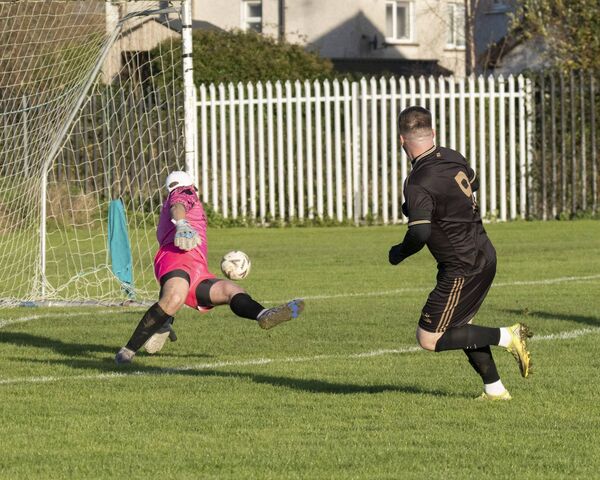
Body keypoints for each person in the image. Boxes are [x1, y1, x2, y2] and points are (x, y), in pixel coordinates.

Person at [389, 106, 532, 400]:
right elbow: (472, 183)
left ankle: (508, 335)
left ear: (402, 141)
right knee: (460, 325)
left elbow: (419, 233)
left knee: (429, 338)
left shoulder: (417, 182)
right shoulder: (452, 155)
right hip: (484, 253)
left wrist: (398, 253)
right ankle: (495, 390)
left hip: (462, 266)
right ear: (434, 134)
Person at [115, 171, 304, 364]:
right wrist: (181, 223)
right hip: (176, 258)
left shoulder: (176, 201)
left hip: (197, 267)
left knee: (231, 290)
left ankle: (263, 314)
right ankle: (127, 352)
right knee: (174, 296)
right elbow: (178, 205)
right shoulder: (184, 191)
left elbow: (176, 206)